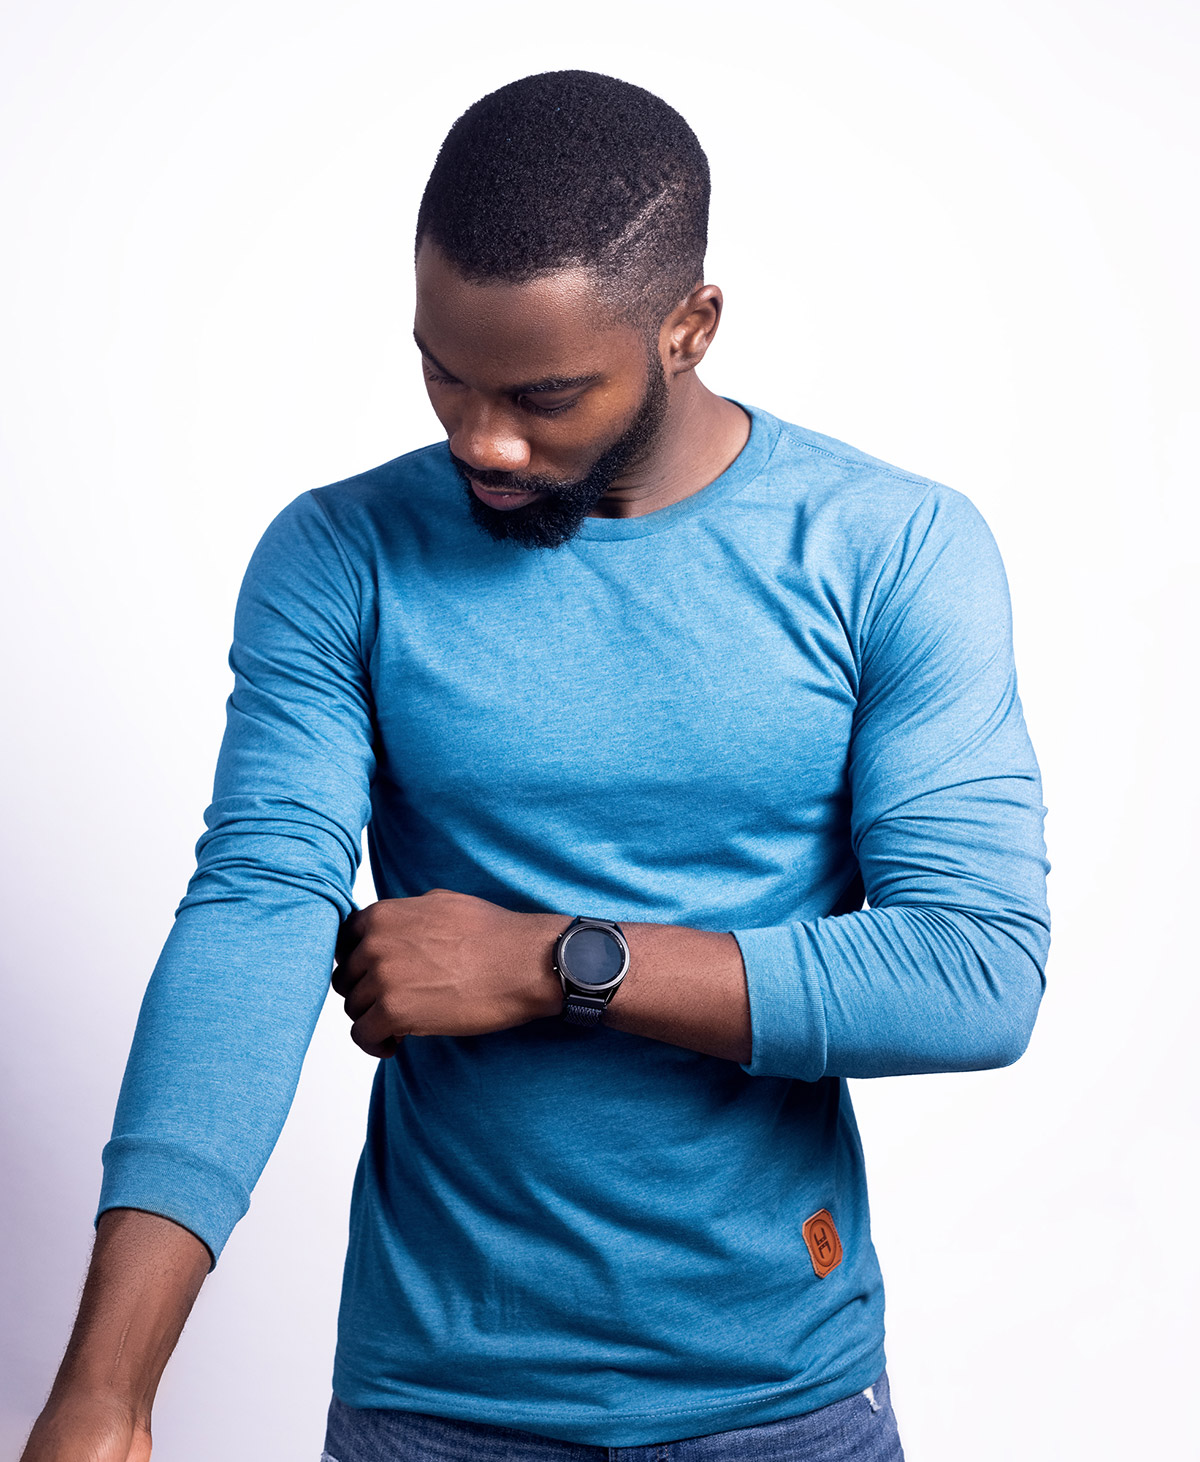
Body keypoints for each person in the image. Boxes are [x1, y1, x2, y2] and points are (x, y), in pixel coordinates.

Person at [21, 70, 1050, 1462]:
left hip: (781, 1399)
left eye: (543, 395)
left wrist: (555, 961)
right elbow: (258, 911)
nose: (480, 439)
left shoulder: (894, 549)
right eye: (443, 373)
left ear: (689, 328)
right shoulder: (343, 555)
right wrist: (109, 1386)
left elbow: (976, 968)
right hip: (433, 1398)